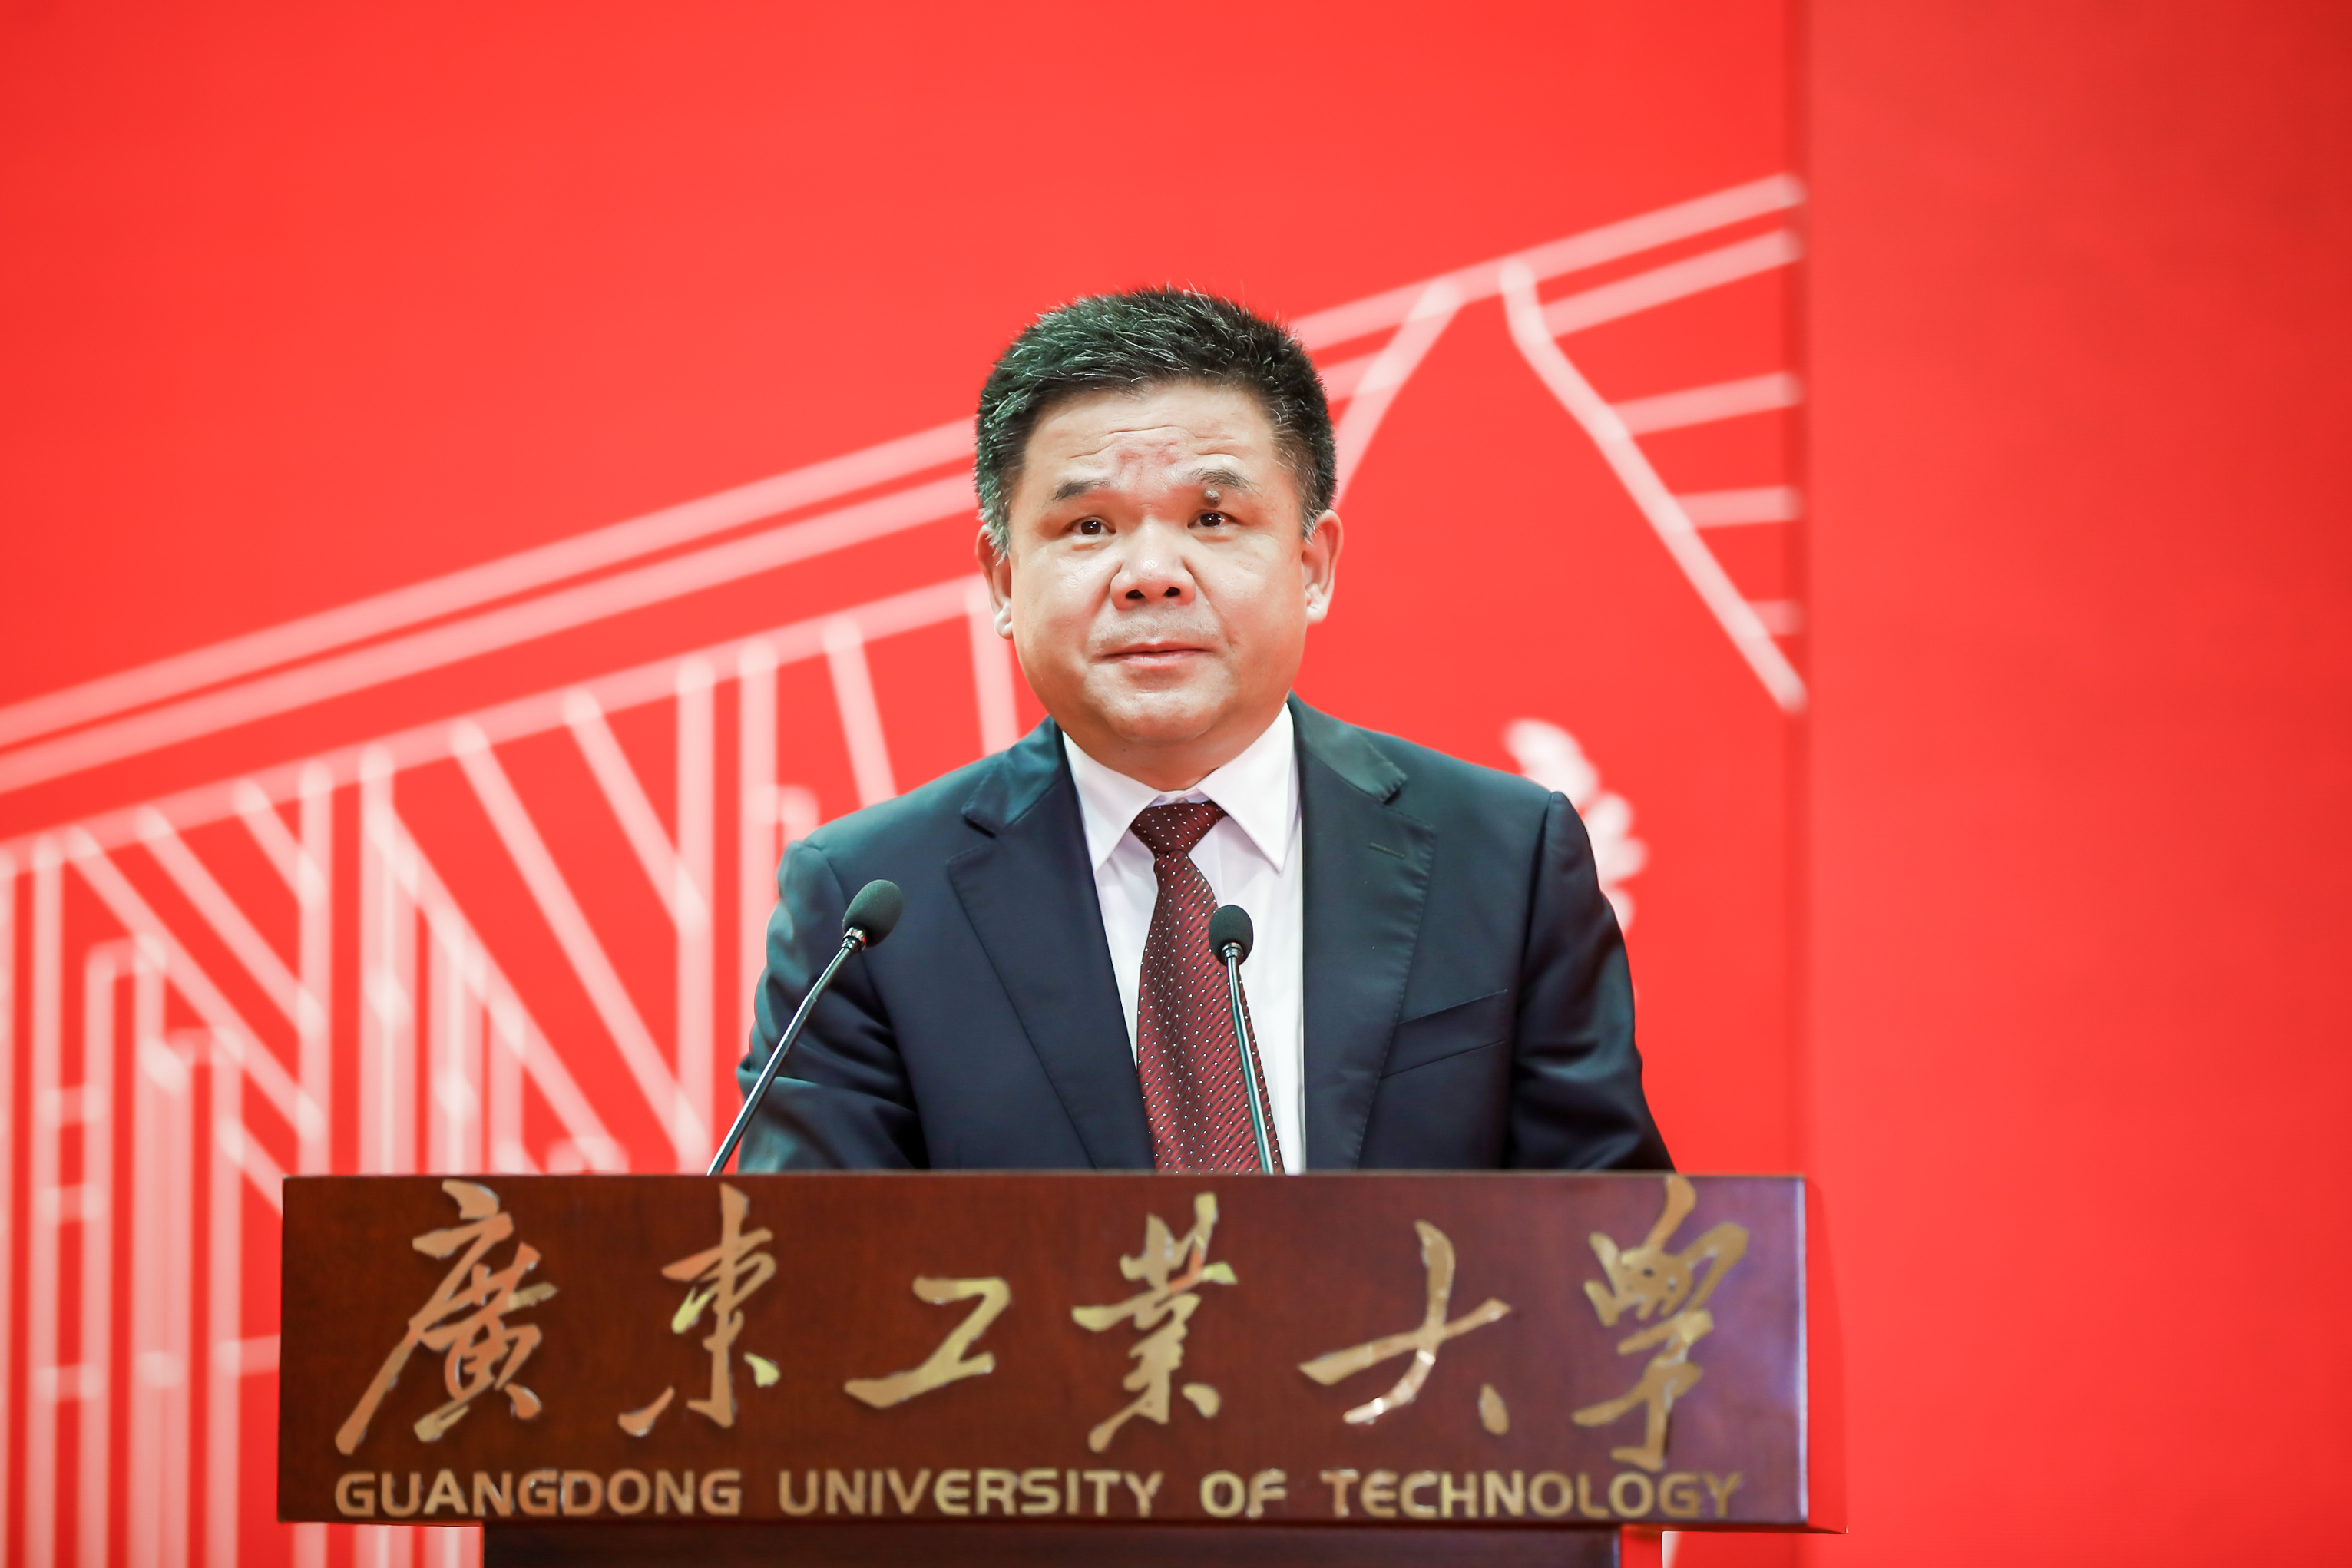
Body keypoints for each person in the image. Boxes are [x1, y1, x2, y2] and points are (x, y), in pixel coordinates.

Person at [736, 289, 1670, 1173]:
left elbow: (1616, 1243)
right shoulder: (868, 907)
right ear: (1003, 580)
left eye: (1213, 517)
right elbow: (815, 1267)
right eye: (1088, 525)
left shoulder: (1505, 857)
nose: (1151, 573)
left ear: (1312, 564)